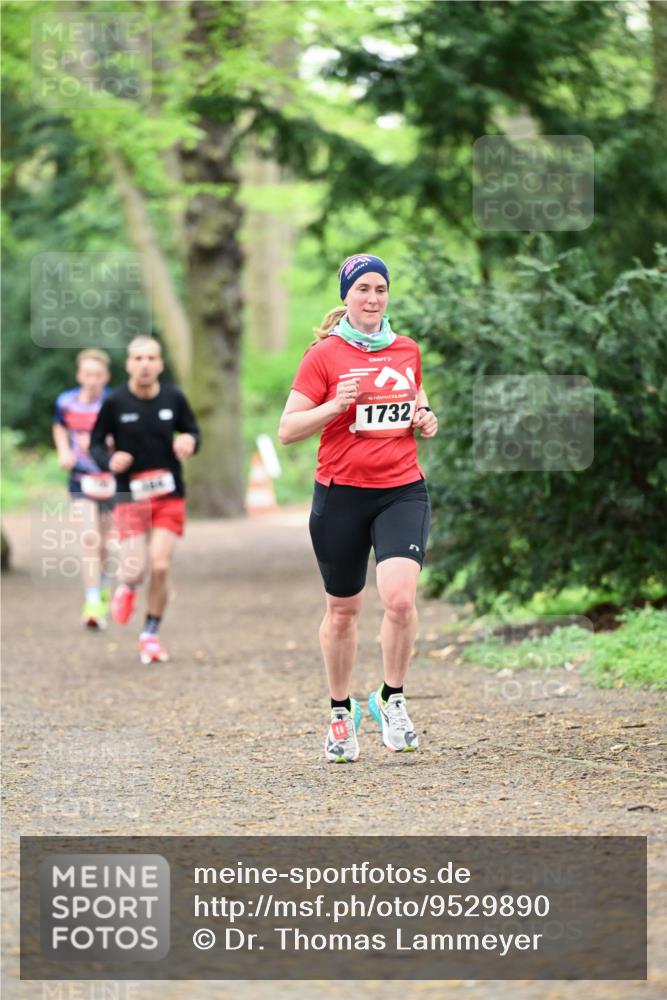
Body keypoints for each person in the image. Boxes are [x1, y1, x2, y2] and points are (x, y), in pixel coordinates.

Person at [279, 254, 438, 762]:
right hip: (341, 494)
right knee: (344, 613)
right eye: (363, 289)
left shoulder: (406, 349)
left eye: (381, 289)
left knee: (399, 599)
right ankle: (340, 712)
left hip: (401, 490)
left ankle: (391, 699)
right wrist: (333, 407)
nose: (373, 298)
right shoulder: (324, 356)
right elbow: (288, 430)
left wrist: (425, 416)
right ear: (346, 295)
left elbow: (416, 397)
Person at [90, 336, 200, 665]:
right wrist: (109, 461)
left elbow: (193, 431)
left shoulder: (173, 397)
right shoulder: (116, 403)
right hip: (130, 495)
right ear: (128, 365)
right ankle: (128, 586)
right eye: (138, 358)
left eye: (151, 358)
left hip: (169, 495)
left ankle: (150, 634)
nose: (145, 365)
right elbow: (96, 444)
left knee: (161, 565)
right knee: (135, 569)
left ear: (160, 364)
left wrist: (188, 442)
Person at [52, 348, 116, 630]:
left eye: (98, 375)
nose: (92, 380)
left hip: (110, 479)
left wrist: (105, 446)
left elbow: (126, 435)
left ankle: (102, 585)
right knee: (89, 538)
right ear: (79, 375)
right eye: (88, 374)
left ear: (106, 378)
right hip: (81, 478)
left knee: (103, 542)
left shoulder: (114, 402)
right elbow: (59, 426)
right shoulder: (66, 401)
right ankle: (91, 602)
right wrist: (64, 450)